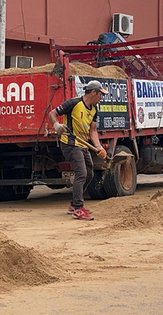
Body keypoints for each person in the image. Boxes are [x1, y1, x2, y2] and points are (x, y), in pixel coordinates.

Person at [48, 80, 108, 220]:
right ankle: (78, 209)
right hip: (70, 143)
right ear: (93, 92)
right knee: (81, 173)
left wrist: (98, 147)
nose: (101, 97)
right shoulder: (73, 103)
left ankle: (74, 204)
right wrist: (56, 126)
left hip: (83, 144)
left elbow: (93, 131)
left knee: (90, 174)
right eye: (101, 94)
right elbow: (52, 113)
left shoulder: (94, 109)